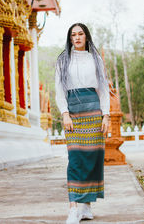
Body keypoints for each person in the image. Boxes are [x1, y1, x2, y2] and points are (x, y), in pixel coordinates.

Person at [55, 23, 110, 224]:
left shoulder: (95, 59)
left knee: (92, 158)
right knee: (76, 158)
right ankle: (73, 208)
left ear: (86, 37)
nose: (77, 38)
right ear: (70, 39)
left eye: (80, 34)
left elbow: (103, 89)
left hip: (94, 109)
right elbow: (59, 89)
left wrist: (106, 115)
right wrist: (65, 113)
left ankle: (86, 207)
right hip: (73, 112)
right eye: (73, 35)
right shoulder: (63, 60)